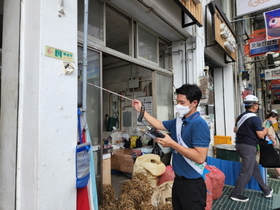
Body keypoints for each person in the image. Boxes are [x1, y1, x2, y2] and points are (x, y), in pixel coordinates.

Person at [132, 84, 210, 210]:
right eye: (177, 101)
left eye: (182, 102)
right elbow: (158, 124)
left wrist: (172, 144)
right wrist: (141, 110)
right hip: (178, 181)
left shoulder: (199, 125)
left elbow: (200, 157)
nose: (178, 105)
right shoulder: (179, 121)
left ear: (194, 103)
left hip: (193, 184)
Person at [230, 95, 273, 202]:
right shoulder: (255, 119)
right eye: (257, 104)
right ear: (253, 106)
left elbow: (235, 129)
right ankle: (235, 194)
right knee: (246, 172)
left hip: (240, 145)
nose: (257, 106)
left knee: (254, 169)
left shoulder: (241, 117)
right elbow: (260, 135)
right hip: (248, 147)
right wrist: (267, 126)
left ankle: (266, 190)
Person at [262, 111, 280, 179]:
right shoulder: (268, 123)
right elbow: (269, 134)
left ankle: (264, 173)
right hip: (269, 143)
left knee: (266, 159)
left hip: (265, 143)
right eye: (275, 118)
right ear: (271, 117)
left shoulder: (265, 122)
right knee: (275, 160)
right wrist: (274, 141)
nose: (275, 120)